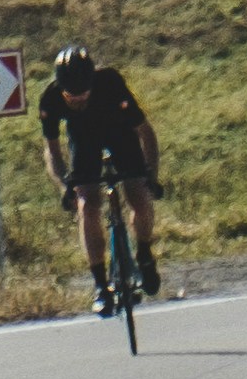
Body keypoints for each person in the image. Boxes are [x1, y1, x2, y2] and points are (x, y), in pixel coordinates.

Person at [35, 45, 162, 318]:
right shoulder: (50, 99)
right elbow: (53, 151)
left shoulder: (111, 83)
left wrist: (151, 175)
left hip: (121, 135)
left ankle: (144, 252)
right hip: (84, 142)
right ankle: (101, 286)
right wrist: (64, 185)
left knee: (139, 196)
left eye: (83, 95)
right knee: (87, 207)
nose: (78, 101)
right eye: (72, 97)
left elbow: (146, 133)